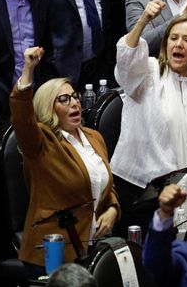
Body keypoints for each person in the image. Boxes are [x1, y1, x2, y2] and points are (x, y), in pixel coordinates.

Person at [111, 0, 187, 235]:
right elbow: (126, 61)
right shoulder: (149, 72)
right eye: (173, 38)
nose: (178, 45)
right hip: (139, 191)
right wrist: (143, 21)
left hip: (184, 189)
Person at [10, 46, 119, 271]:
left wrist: (113, 210)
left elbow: (108, 186)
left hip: (91, 249)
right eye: (64, 99)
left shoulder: (94, 137)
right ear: (48, 107)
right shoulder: (41, 142)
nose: (75, 103)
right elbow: (22, 119)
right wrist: (28, 69)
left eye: (75, 97)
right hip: (53, 253)